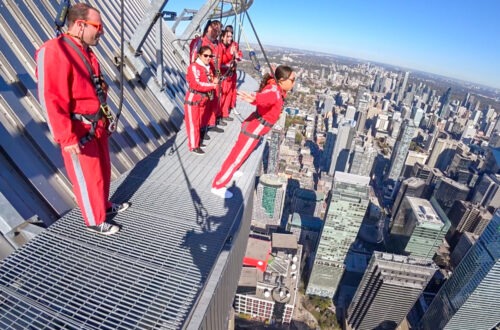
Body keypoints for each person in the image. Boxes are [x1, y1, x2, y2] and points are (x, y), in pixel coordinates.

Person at [35, 3, 129, 235]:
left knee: (103, 171)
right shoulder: (55, 51)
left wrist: (104, 119)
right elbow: (50, 98)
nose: (102, 32)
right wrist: (66, 137)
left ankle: (104, 207)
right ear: (79, 25)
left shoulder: (85, 51)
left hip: (96, 124)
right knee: (88, 176)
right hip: (78, 128)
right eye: (98, 26)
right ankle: (94, 219)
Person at [211, 65, 296, 199]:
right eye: (292, 80)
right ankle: (218, 185)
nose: (294, 82)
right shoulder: (274, 92)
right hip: (255, 127)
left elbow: (270, 90)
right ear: (282, 80)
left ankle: (232, 171)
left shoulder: (276, 87)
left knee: (241, 154)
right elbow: (266, 97)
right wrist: (255, 99)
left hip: (255, 125)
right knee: (237, 156)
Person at [184, 46, 219, 155]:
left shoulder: (207, 67)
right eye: (206, 55)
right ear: (199, 55)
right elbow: (196, 84)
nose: (208, 58)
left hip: (202, 99)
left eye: (210, 56)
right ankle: (194, 146)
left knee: (198, 121)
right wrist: (212, 85)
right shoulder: (194, 67)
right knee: (193, 122)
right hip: (193, 98)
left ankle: (197, 141)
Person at [219, 28, 242, 121]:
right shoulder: (221, 46)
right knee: (223, 95)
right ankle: (220, 114)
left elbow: (239, 57)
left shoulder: (233, 45)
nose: (230, 38)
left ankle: (225, 113)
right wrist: (231, 55)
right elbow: (221, 61)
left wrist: (236, 55)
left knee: (229, 94)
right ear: (223, 36)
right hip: (224, 75)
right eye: (228, 36)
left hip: (230, 74)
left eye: (231, 35)